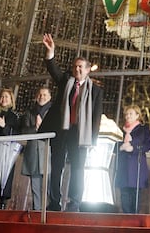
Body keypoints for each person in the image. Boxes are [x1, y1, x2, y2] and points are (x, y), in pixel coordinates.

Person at [39, 33, 103, 212]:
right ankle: (54, 202)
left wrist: (93, 140)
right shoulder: (66, 81)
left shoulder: (96, 90)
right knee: (56, 167)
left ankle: (74, 203)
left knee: (77, 169)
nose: (77, 70)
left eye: (81, 67)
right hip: (61, 131)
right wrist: (50, 52)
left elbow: (96, 117)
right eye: (75, 67)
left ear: (88, 69)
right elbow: (54, 70)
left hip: (80, 134)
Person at [114, 105, 150, 214]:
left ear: (137, 115)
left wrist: (133, 148)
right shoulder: (120, 130)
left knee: (135, 195)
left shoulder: (143, 129)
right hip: (123, 167)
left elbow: (148, 145)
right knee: (124, 195)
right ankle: (126, 219)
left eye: (130, 114)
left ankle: (134, 220)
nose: (128, 116)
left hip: (137, 167)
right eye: (126, 114)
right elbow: (113, 144)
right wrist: (121, 147)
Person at [21, 86, 52, 210]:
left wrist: (43, 129)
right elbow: (23, 130)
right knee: (35, 185)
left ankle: (49, 210)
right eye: (40, 94)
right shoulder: (29, 112)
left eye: (45, 95)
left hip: (48, 151)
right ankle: (37, 210)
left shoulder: (53, 111)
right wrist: (36, 128)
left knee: (49, 185)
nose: (42, 97)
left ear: (49, 97)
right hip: (33, 153)